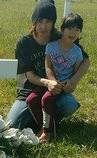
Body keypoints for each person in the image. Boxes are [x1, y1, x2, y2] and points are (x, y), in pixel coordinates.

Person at [6, 2, 90, 134]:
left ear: (54, 23)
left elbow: (86, 61)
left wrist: (74, 80)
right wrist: (48, 82)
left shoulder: (61, 37)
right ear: (34, 22)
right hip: (29, 90)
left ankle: (47, 121)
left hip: (57, 90)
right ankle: (44, 120)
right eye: (40, 21)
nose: (43, 27)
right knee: (13, 124)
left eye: (48, 21)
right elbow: (30, 75)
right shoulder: (24, 43)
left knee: (69, 105)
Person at [26, 13, 84, 143]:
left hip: (63, 85)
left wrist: (70, 82)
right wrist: (51, 81)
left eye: (77, 30)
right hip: (50, 81)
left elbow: (76, 71)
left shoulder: (77, 51)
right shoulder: (51, 47)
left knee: (46, 99)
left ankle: (48, 132)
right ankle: (45, 126)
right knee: (31, 100)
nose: (73, 33)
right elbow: (48, 67)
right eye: (70, 29)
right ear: (62, 30)